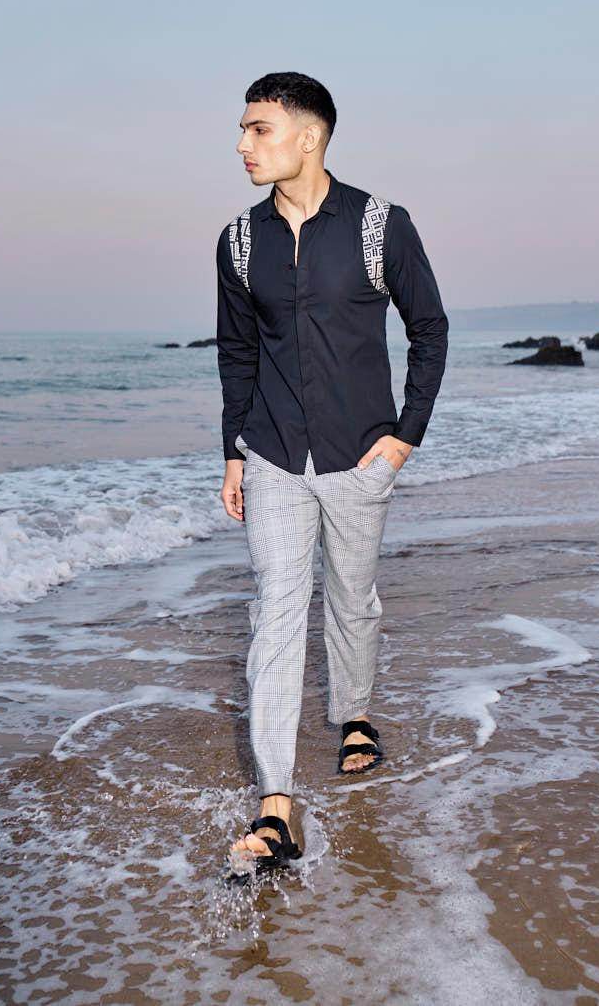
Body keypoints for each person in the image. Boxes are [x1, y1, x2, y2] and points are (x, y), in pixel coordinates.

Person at [216, 71, 449, 876]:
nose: (243, 145)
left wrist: (405, 437)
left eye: (258, 129)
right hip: (273, 452)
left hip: (359, 452)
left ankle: (354, 715)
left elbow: (430, 328)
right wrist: (232, 449)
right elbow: (238, 351)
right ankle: (276, 803)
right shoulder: (238, 241)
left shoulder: (381, 224)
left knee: (352, 595)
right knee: (276, 611)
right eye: (243, 130)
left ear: (308, 136)